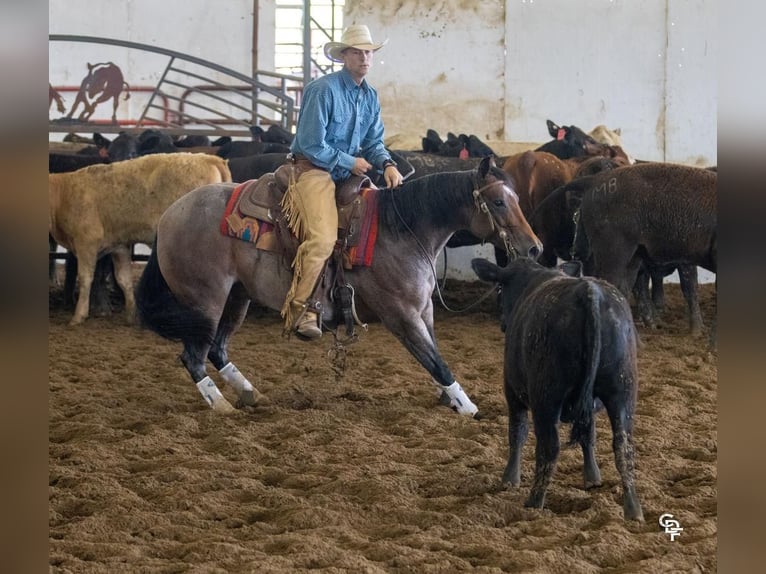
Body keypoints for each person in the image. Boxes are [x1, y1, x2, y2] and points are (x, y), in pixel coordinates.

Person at [280, 24, 404, 339]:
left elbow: (374, 143)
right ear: (344, 56)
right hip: (312, 170)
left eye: (368, 52)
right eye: (357, 52)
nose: (364, 57)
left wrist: (387, 164)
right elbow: (310, 144)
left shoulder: (370, 96)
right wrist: (351, 162)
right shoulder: (323, 89)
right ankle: (301, 309)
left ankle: (359, 297)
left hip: (345, 174)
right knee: (322, 239)